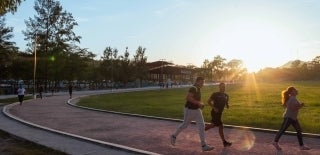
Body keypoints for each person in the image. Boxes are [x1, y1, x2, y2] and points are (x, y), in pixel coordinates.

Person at [170, 77, 214, 152]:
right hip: (189, 110)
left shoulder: (198, 89)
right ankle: (174, 136)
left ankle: (204, 145)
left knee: (202, 126)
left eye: (203, 82)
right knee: (185, 125)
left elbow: (196, 100)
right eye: (201, 82)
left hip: (197, 110)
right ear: (197, 82)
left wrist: (200, 105)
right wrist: (198, 103)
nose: (202, 84)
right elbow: (188, 98)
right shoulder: (193, 88)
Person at [272, 86, 310, 150]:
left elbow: (293, 106)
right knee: (282, 130)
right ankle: (275, 142)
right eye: (295, 90)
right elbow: (293, 109)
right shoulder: (292, 98)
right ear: (292, 92)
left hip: (293, 118)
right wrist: (301, 105)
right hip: (289, 117)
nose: (296, 90)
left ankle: (301, 146)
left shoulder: (293, 98)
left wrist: (299, 105)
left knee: (299, 131)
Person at [205, 82, 232, 147]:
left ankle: (201, 131)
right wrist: (214, 108)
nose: (223, 88)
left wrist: (227, 105)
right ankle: (224, 142)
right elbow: (208, 101)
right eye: (222, 87)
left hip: (219, 113)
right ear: (219, 87)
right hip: (215, 113)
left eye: (224, 87)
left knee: (213, 125)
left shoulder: (226, 95)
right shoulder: (215, 94)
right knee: (219, 126)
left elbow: (226, 102)